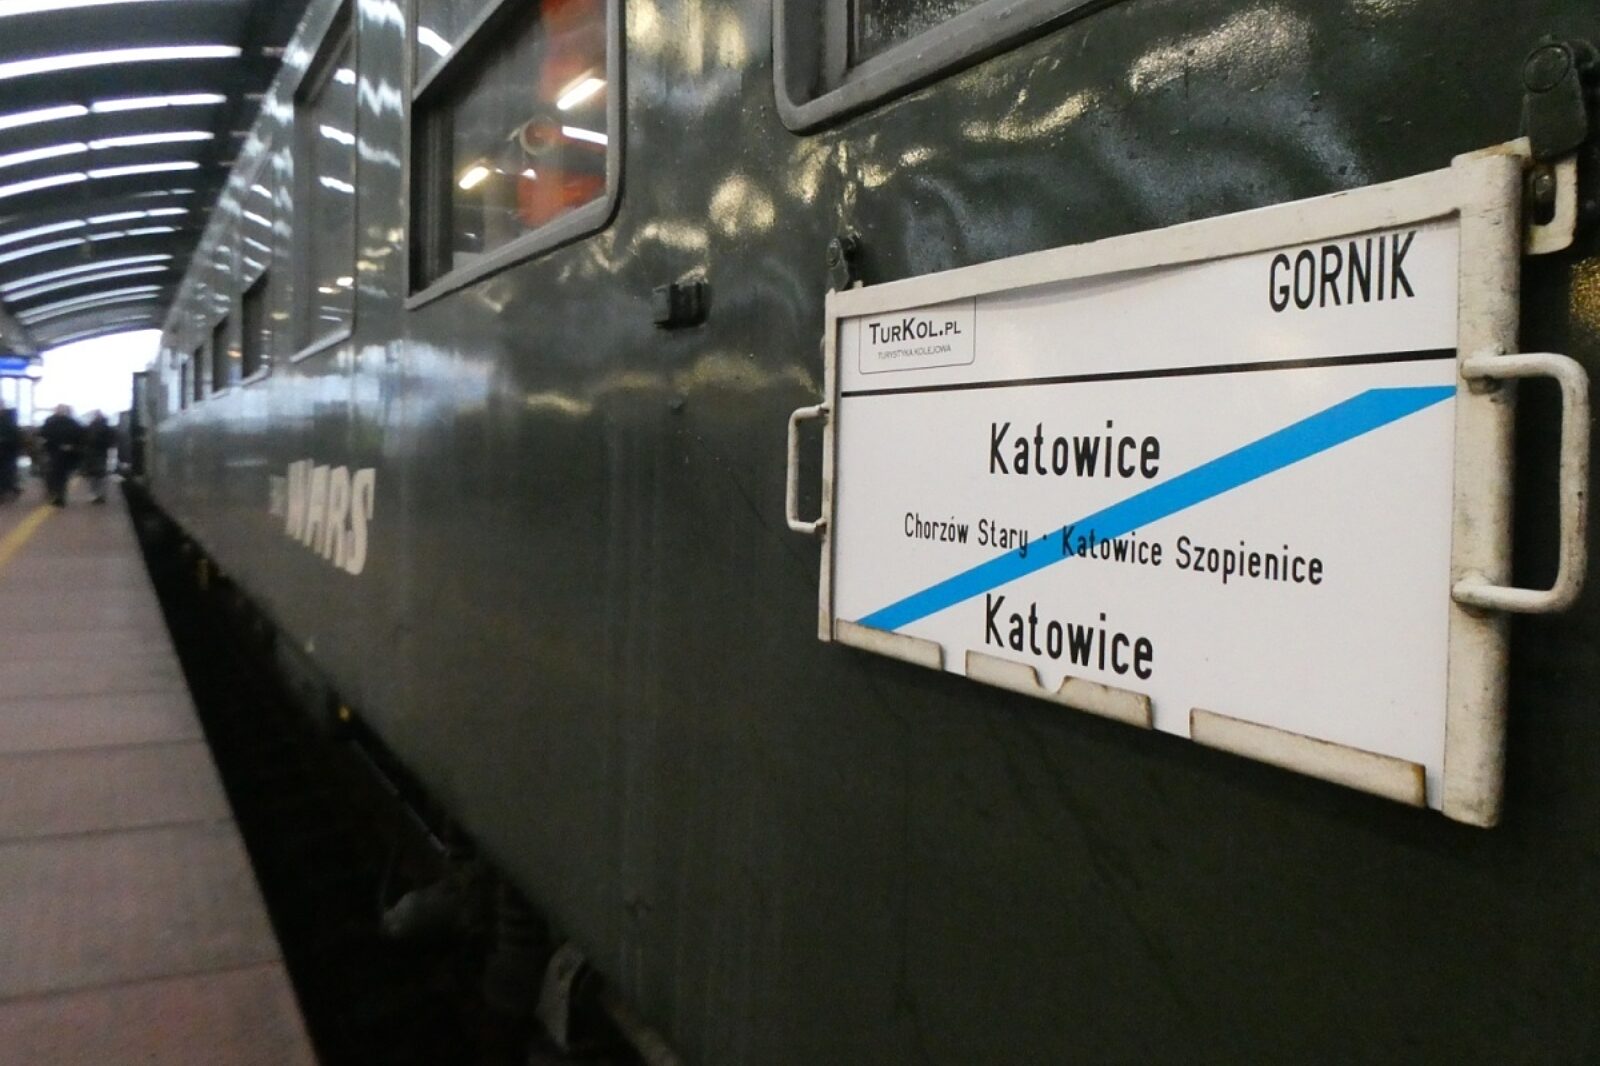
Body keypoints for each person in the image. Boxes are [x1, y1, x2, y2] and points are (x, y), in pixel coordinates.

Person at [36, 405, 83, 507]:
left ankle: (58, 495)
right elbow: (42, 435)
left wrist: (72, 446)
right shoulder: (70, 423)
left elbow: (80, 437)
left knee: (58, 475)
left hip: (60, 453)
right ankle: (57, 494)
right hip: (56, 452)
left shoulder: (55, 422)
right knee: (56, 475)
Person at [82, 410, 115, 504]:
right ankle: (100, 495)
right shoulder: (107, 427)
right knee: (100, 475)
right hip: (100, 453)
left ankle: (96, 495)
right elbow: (111, 441)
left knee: (95, 476)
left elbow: (84, 439)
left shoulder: (90, 427)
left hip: (93, 453)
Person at [0, 405, 18, 502]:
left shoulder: (8, 421)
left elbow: (14, 436)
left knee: (5, 472)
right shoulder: (9, 420)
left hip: (6, 451)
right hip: (7, 451)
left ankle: (4, 491)